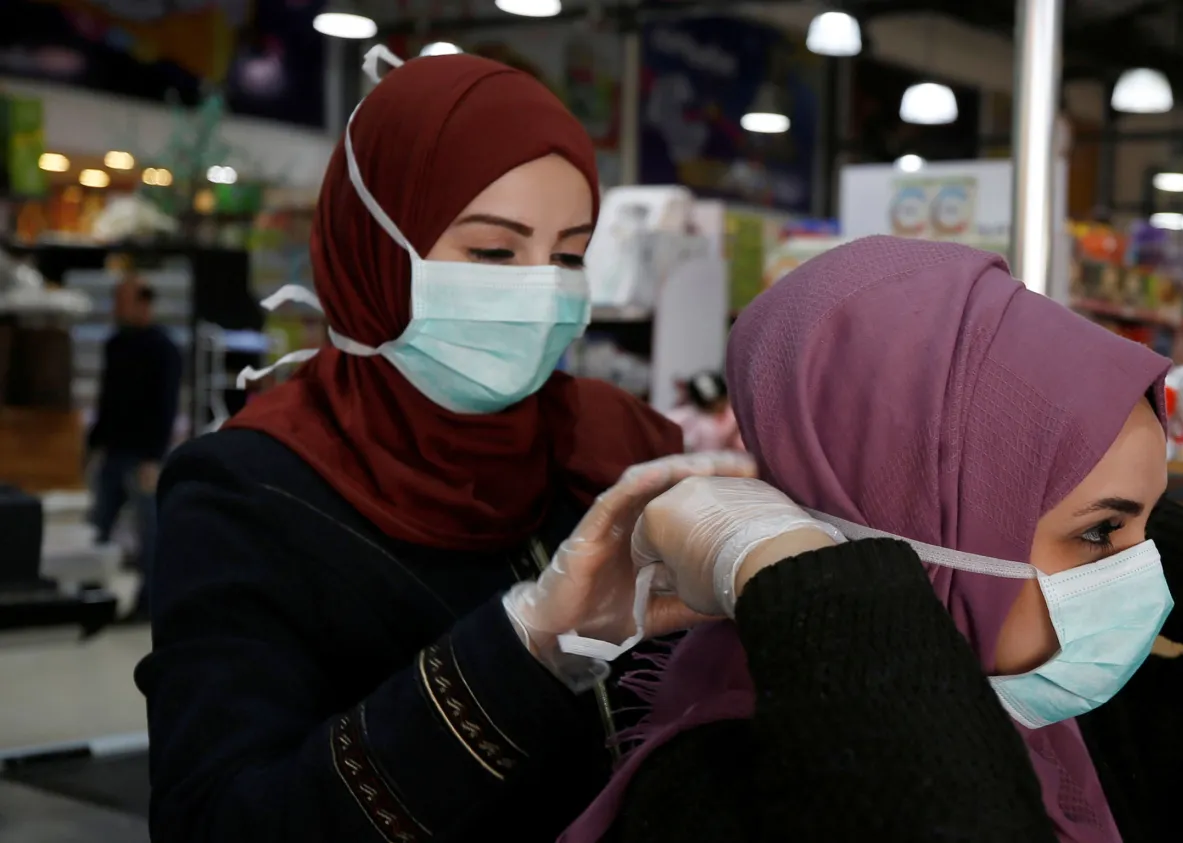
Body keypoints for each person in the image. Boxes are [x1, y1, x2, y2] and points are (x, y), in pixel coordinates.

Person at [559, 237, 1183, 843]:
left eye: (1146, 532)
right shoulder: (719, 787)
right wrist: (821, 560)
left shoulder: (1063, 726)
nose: (1139, 580)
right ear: (914, 528)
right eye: (1103, 535)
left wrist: (1111, 486)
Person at [135, 53, 752, 843]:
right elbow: (219, 823)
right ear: (375, 248)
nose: (543, 290)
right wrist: (520, 646)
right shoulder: (250, 491)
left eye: (568, 254)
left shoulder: (615, 441)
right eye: (495, 253)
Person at [88, 272, 182, 609]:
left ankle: (148, 601)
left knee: (149, 534)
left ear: (143, 303)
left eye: (122, 301)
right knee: (97, 527)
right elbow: (107, 399)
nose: (116, 308)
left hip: (143, 456)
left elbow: (166, 406)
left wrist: (154, 458)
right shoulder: (116, 344)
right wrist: (94, 444)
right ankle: (91, 592)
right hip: (113, 451)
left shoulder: (163, 349)